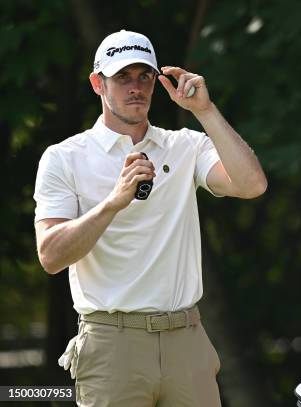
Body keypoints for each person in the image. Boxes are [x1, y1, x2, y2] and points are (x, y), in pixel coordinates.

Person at [33, 29, 267, 406]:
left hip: (186, 339)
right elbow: (51, 256)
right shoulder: (64, 157)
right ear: (98, 84)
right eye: (122, 77)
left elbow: (251, 184)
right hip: (112, 343)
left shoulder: (186, 143)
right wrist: (112, 203)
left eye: (144, 76)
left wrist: (204, 111)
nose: (135, 87)